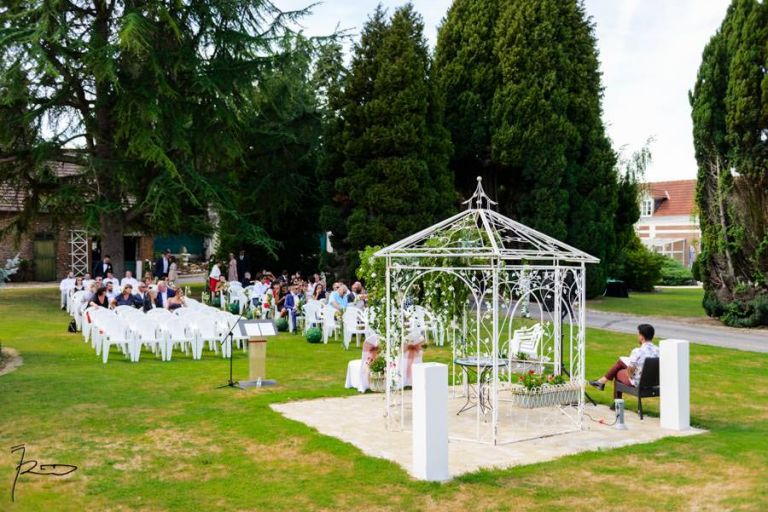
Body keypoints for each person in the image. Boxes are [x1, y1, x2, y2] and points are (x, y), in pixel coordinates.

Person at [589, 324, 660, 401]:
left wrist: (629, 374)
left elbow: (630, 371)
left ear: (641, 337)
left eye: (638, 334)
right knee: (621, 362)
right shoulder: (659, 350)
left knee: (618, 372)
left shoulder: (638, 351)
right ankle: (601, 382)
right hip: (653, 382)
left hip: (638, 383)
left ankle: (616, 402)